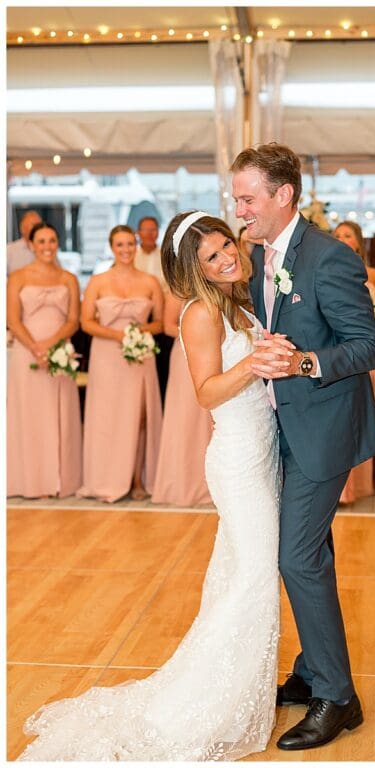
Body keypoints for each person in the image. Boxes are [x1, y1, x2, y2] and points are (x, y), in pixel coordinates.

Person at [18, 211, 294, 760]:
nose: (225, 257)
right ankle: (194, 706)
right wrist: (257, 363)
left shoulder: (234, 300)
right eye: (210, 256)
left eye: (224, 245)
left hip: (263, 450)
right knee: (253, 578)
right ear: (191, 270)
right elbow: (207, 392)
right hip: (237, 457)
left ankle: (237, 689)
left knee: (242, 575)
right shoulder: (198, 313)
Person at [232, 142, 375, 750]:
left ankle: (338, 698)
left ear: (283, 195)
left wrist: (303, 362)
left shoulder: (330, 258)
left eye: (247, 197)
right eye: (237, 197)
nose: (238, 207)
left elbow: (367, 346)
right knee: (308, 554)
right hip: (277, 430)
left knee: (296, 557)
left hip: (322, 429)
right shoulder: (253, 254)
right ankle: (311, 669)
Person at [77, 225, 164, 502]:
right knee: (107, 417)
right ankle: (105, 476)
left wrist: (139, 334)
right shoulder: (98, 282)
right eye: (120, 245)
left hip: (139, 356)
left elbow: (160, 322)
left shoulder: (150, 281)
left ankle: (137, 478)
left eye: (130, 244)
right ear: (111, 247)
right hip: (106, 356)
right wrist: (119, 334)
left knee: (138, 417)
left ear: (136, 245)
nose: (126, 250)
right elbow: (86, 322)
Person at [7, 221, 83, 498]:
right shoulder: (17, 277)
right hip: (27, 354)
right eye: (42, 241)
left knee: (58, 415)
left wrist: (50, 346)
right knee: (30, 415)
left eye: (52, 240)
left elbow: (74, 320)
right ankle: (32, 480)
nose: (47, 247)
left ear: (58, 243)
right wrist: (35, 348)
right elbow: (12, 320)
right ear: (31, 244)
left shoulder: (68, 279)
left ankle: (61, 480)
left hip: (60, 353)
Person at [332, 220, 375, 503]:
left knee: (372, 414)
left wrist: (365, 322)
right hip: (341, 353)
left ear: (358, 241)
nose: (343, 239)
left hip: (371, 353)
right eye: (337, 235)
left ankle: (374, 480)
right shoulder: (328, 272)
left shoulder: (374, 275)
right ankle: (346, 488)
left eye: (348, 235)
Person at [149, 291, 214, 507]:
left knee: (210, 419)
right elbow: (167, 326)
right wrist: (198, 331)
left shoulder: (215, 287)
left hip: (215, 353)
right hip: (186, 355)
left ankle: (212, 483)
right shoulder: (178, 291)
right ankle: (182, 483)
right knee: (185, 417)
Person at [136, 216, 173, 399]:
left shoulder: (166, 258)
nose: (150, 234)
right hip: (139, 314)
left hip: (164, 314)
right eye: (145, 230)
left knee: (162, 364)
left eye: (153, 230)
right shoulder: (131, 256)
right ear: (138, 233)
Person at [7, 210, 43, 274]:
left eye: (39, 225)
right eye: (33, 224)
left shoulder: (47, 250)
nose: (38, 228)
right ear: (22, 229)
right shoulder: (9, 250)